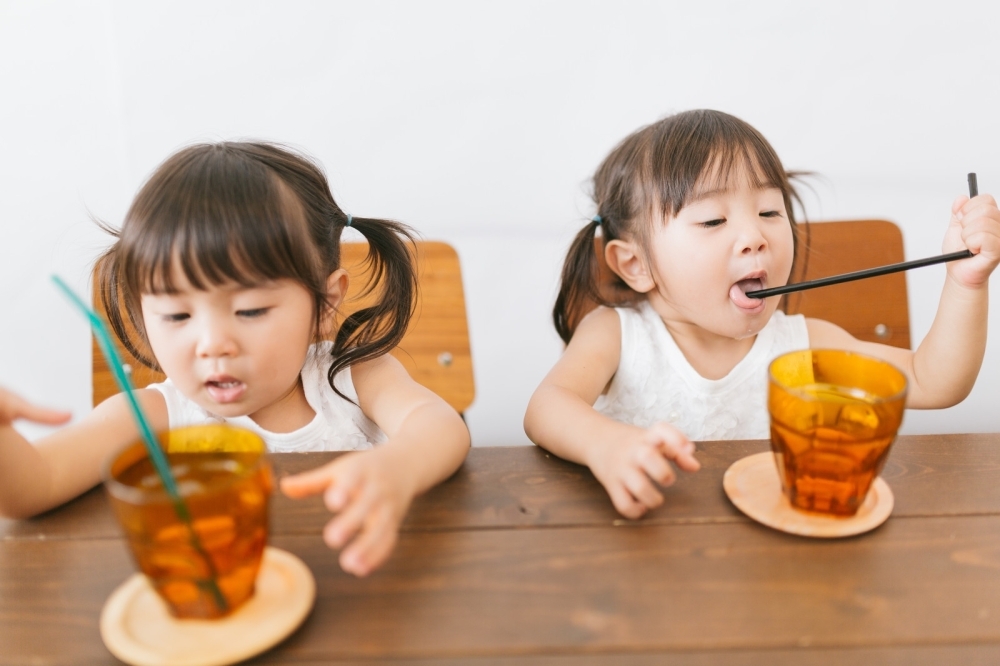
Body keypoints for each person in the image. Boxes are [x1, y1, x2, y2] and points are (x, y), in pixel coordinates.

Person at [0, 142, 470, 577]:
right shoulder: (156, 416)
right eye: (177, 314)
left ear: (325, 306)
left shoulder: (350, 377)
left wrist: (401, 465)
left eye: (249, 311)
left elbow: (441, 426)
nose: (212, 344)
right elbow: (34, 486)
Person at [524, 109, 1000, 520]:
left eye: (770, 212)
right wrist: (607, 446)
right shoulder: (617, 335)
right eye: (713, 220)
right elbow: (547, 407)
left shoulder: (805, 345)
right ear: (636, 264)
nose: (755, 236)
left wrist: (966, 282)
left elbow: (934, 381)